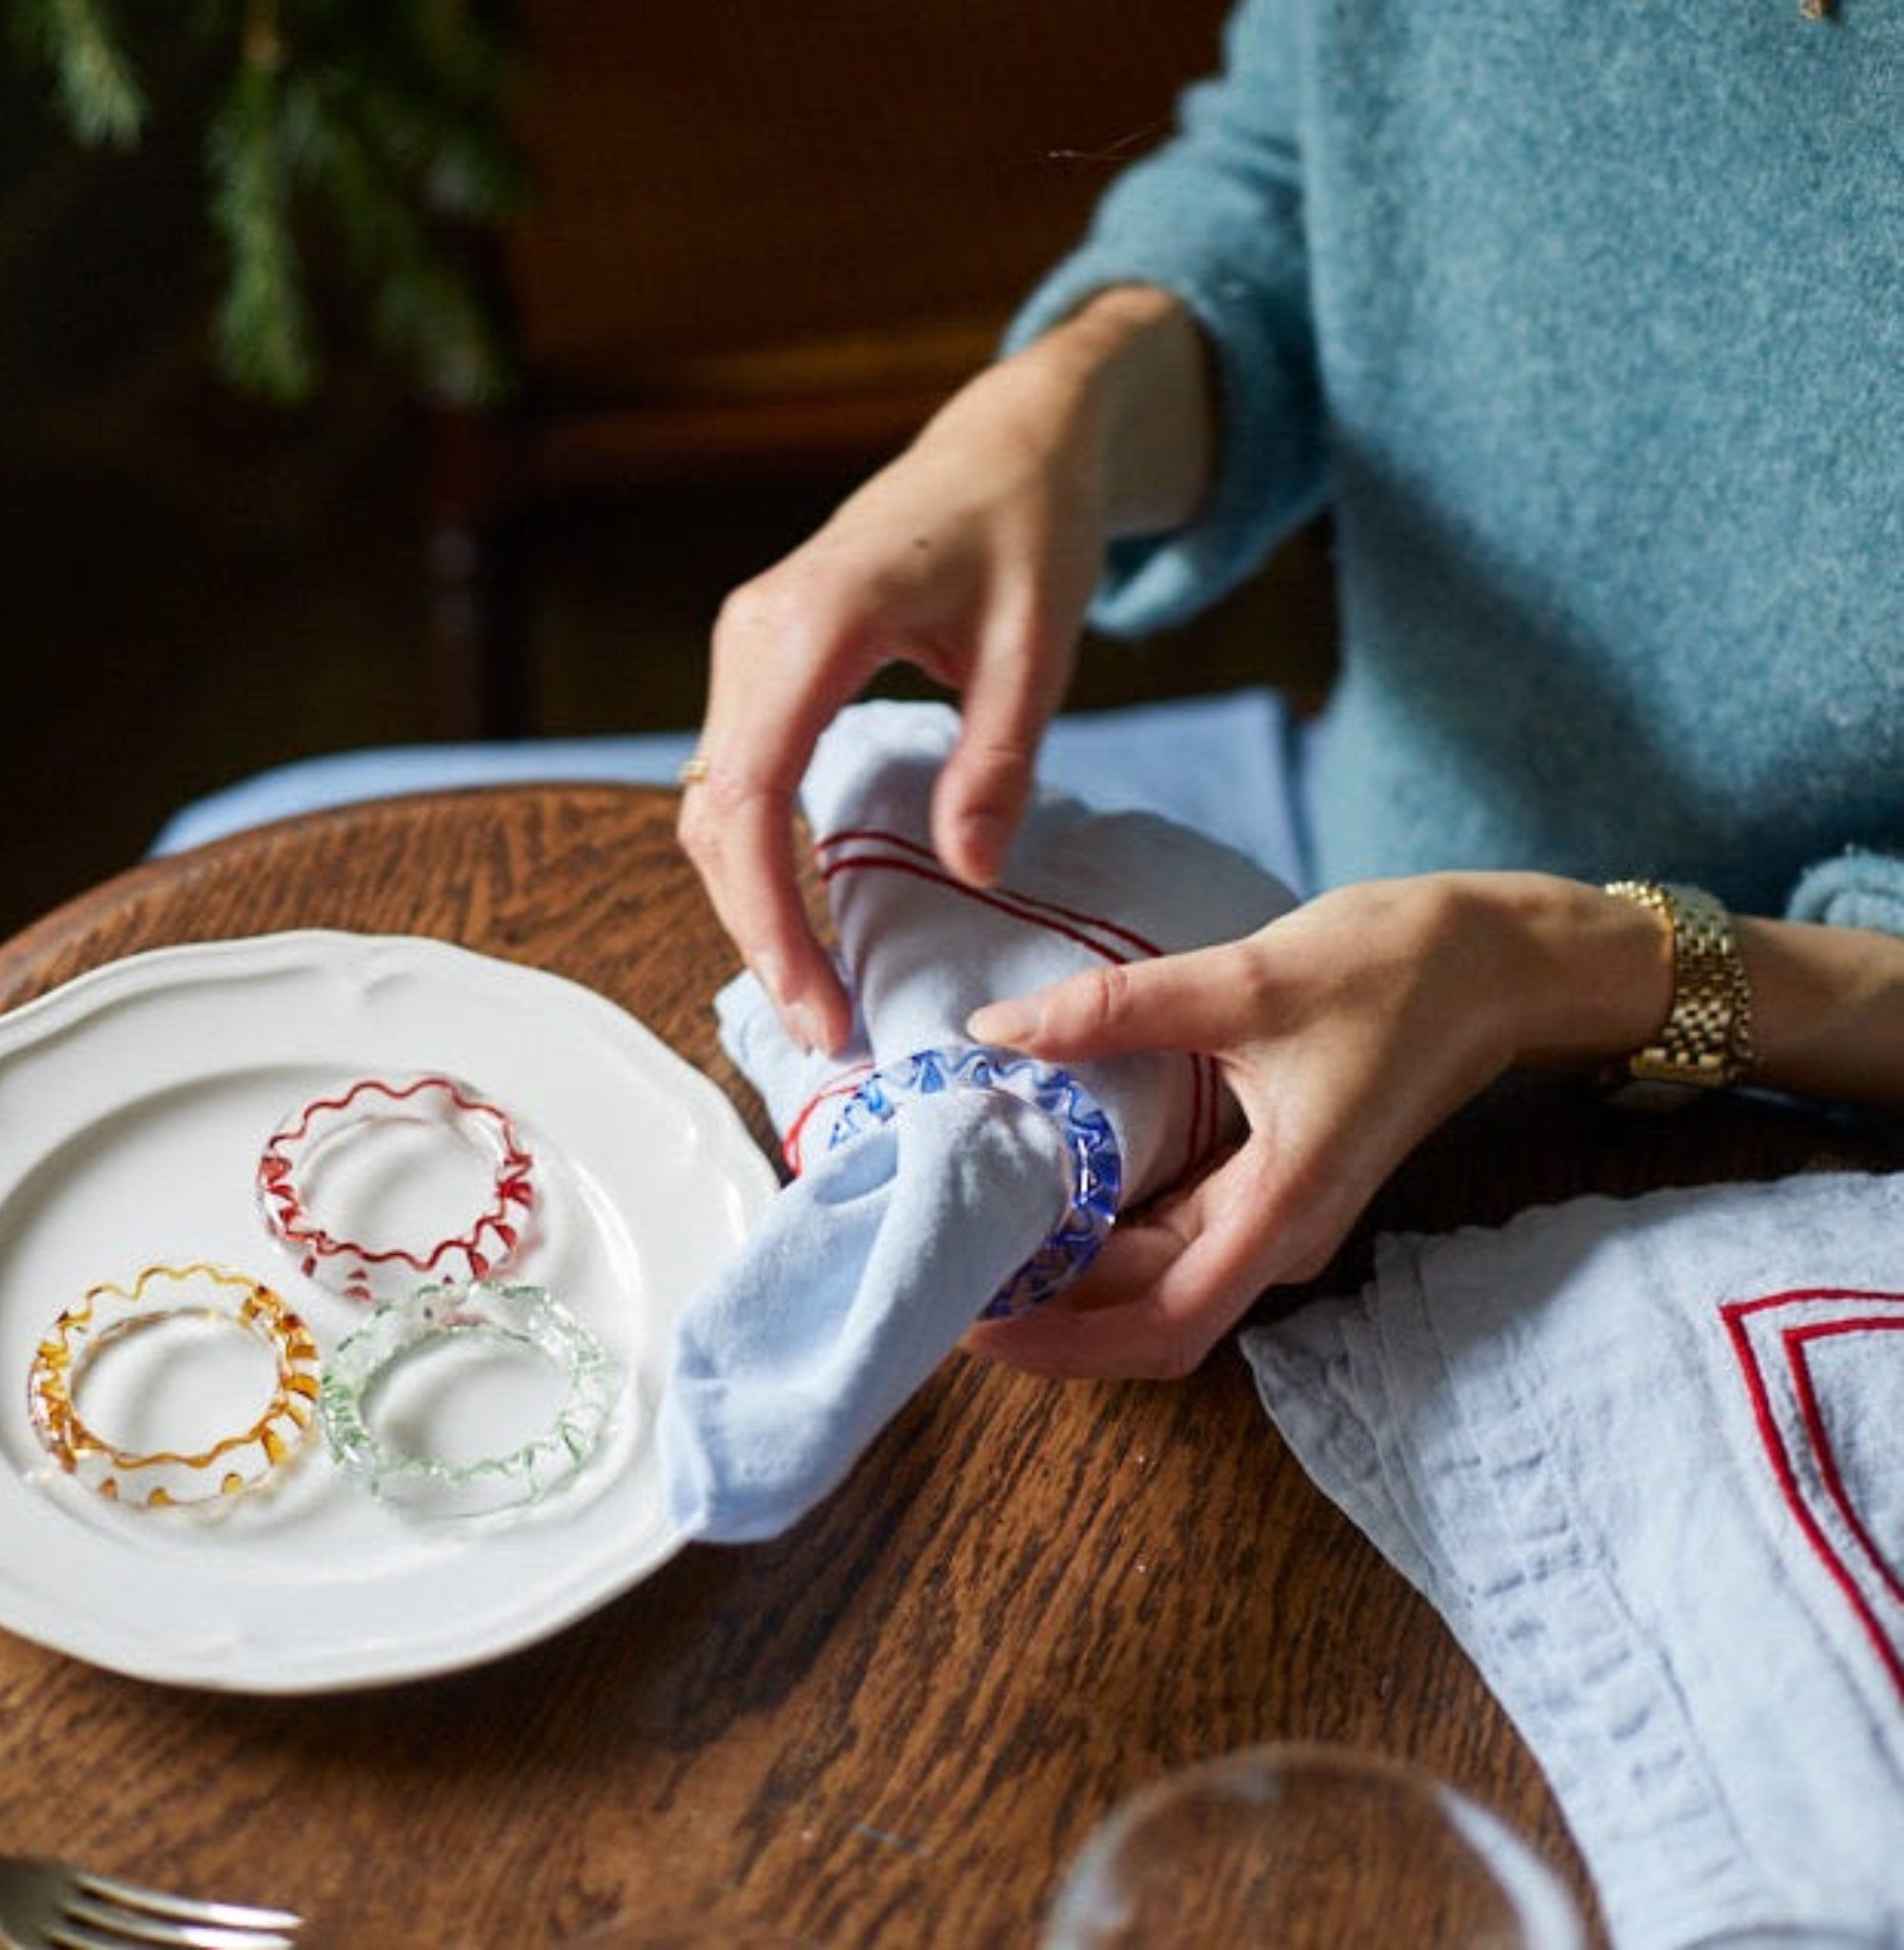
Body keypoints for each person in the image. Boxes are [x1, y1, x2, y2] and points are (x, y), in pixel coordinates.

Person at [675, 0, 1904, 1380]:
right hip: (1332, 934)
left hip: (1834, 1164)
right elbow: (1308, 164)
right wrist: (1058, 413)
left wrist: (1567, 971)